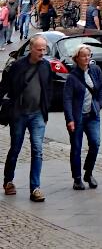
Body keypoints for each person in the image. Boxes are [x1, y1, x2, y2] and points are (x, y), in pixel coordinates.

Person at [0, 35, 51, 201]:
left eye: (44, 49)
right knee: (15, 148)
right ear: (31, 49)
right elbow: (5, 87)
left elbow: (48, 87)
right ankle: (8, 181)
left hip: (37, 114)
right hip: (19, 114)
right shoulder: (18, 66)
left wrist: (45, 107)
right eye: (39, 49)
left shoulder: (45, 66)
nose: (42, 52)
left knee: (37, 150)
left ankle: (35, 188)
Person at [63, 44, 102, 190]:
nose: (87, 58)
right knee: (76, 147)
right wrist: (70, 119)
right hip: (77, 116)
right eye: (84, 56)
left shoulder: (95, 70)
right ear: (77, 58)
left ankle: (88, 172)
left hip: (92, 114)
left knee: (95, 142)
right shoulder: (72, 77)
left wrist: (98, 105)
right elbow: (67, 99)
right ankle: (77, 178)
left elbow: (101, 89)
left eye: (88, 55)